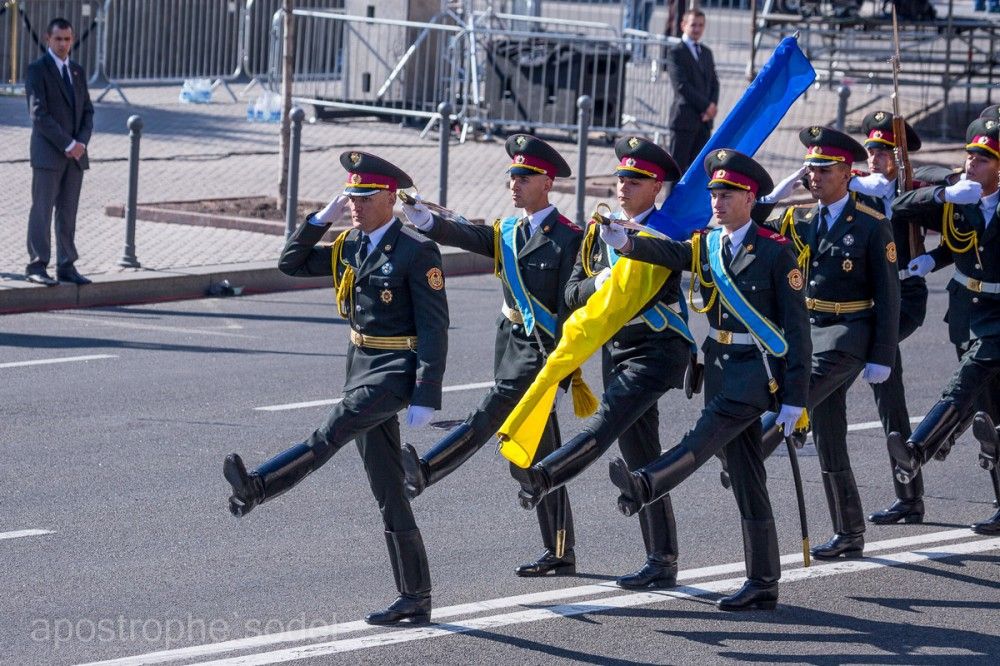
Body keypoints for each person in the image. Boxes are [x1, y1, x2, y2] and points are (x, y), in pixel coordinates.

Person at [223, 152, 449, 626]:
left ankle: (258, 487)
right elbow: (292, 263)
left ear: (389, 198)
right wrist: (317, 220)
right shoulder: (349, 245)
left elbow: (434, 327)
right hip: (360, 362)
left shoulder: (416, 250)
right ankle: (416, 596)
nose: (354, 205)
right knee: (388, 489)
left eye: (364, 197)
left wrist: (427, 391)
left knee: (332, 430)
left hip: (394, 370)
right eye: (350, 197)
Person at [605, 149, 811, 611]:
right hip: (719, 367)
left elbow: (798, 334)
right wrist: (627, 242)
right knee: (746, 476)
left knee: (705, 435)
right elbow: (673, 253)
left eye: (728, 192)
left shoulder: (777, 253)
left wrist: (795, 399)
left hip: (755, 372)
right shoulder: (708, 245)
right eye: (714, 191)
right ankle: (763, 582)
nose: (717, 200)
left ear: (750, 196)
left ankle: (646, 484)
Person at [399, 135, 585, 577]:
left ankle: (428, 468)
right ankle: (560, 550)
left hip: (543, 353)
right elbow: (472, 234)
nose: (515, 184)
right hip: (511, 345)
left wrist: (564, 366)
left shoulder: (569, 239)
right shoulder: (509, 231)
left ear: (547, 182)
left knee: (495, 407)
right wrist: (427, 221)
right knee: (542, 447)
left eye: (524, 177)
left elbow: (572, 306)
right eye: (512, 176)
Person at [516, 137, 694, 590]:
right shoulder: (600, 232)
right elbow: (572, 294)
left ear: (657, 187)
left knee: (608, 419)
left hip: (655, 352)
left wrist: (630, 252)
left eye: (635, 181)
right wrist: (601, 278)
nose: (623, 187)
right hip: (617, 351)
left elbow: (661, 277)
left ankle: (546, 475)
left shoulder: (669, 231)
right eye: (620, 178)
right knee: (641, 454)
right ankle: (662, 559)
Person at [759, 127, 900, 560]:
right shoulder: (800, 218)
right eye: (810, 169)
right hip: (810, 330)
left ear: (847, 173)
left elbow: (889, 294)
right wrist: (781, 189)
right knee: (828, 433)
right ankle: (849, 531)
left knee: (795, 395)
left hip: (849, 334)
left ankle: (747, 452)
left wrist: (882, 356)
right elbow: (755, 222)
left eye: (823, 169)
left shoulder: (873, 225)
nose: (814, 176)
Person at [888, 116, 1000, 536]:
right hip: (967, 310)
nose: (972, 163)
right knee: (989, 412)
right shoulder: (961, 195)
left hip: (998, 314)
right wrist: (944, 194)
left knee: (964, 382)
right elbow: (900, 206)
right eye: (970, 155)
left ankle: (919, 447)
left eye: (984, 158)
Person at [851, 111, 931, 525]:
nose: (876, 159)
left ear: (899, 157)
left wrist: (906, 183)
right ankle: (909, 496)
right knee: (889, 397)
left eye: (886, 151)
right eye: (872, 150)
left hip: (904, 297)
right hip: (869, 301)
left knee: (860, 357)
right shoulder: (860, 192)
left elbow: (942, 185)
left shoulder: (912, 189)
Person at [25, 17, 94, 286]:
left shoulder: (76, 71)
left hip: (75, 156)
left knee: (68, 211)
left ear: (73, 40)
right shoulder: (37, 70)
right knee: (41, 210)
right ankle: (37, 264)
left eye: (67, 39)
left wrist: (81, 144)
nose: (63, 44)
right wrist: (67, 144)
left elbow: (88, 111)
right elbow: (38, 113)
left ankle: (66, 265)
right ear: (47, 39)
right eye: (58, 39)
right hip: (49, 154)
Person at [665, 9, 719, 175]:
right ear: (683, 25)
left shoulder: (706, 53)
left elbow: (714, 82)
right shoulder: (676, 52)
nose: (697, 29)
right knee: (677, 173)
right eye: (693, 24)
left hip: (703, 123)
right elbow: (681, 86)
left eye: (701, 25)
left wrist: (712, 106)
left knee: (699, 174)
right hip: (684, 121)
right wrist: (706, 106)